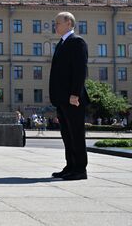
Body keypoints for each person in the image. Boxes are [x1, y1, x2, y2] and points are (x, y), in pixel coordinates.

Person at [49, 11, 89, 181]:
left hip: (73, 99)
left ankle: (80, 169)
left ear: (69, 23)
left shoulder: (77, 42)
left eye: (58, 23)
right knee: (67, 134)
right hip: (62, 99)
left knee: (76, 134)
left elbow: (80, 71)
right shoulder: (61, 43)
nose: (55, 26)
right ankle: (70, 166)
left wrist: (75, 94)